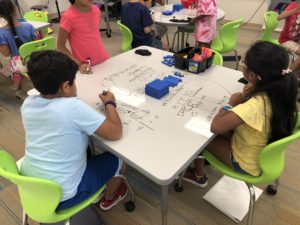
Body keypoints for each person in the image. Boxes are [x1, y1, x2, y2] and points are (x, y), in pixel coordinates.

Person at [20, 50, 127, 211]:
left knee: (86, 145)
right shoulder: (72, 108)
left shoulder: (28, 103)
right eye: (73, 82)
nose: (75, 87)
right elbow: (116, 132)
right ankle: (108, 199)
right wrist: (110, 103)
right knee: (121, 157)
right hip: (64, 196)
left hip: (32, 186)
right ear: (65, 86)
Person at [183, 41, 298, 187]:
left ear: (251, 74)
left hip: (245, 163)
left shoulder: (255, 105)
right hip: (260, 146)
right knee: (222, 129)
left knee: (200, 133)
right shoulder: (281, 90)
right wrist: (256, 86)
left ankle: (198, 176)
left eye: (244, 63)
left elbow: (216, 127)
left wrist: (231, 103)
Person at [57, 0, 109, 74]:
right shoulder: (68, 17)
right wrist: (78, 64)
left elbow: (94, 35)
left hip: (104, 59)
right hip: (85, 66)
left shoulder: (96, 10)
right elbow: (60, 46)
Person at [0, 0, 35, 95]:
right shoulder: (29, 26)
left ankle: (16, 85)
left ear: (1, 16)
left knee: (13, 64)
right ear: (14, 9)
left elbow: (6, 53)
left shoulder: (1, 33)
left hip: (19, 65)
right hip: (34, 60)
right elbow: (37, 44)